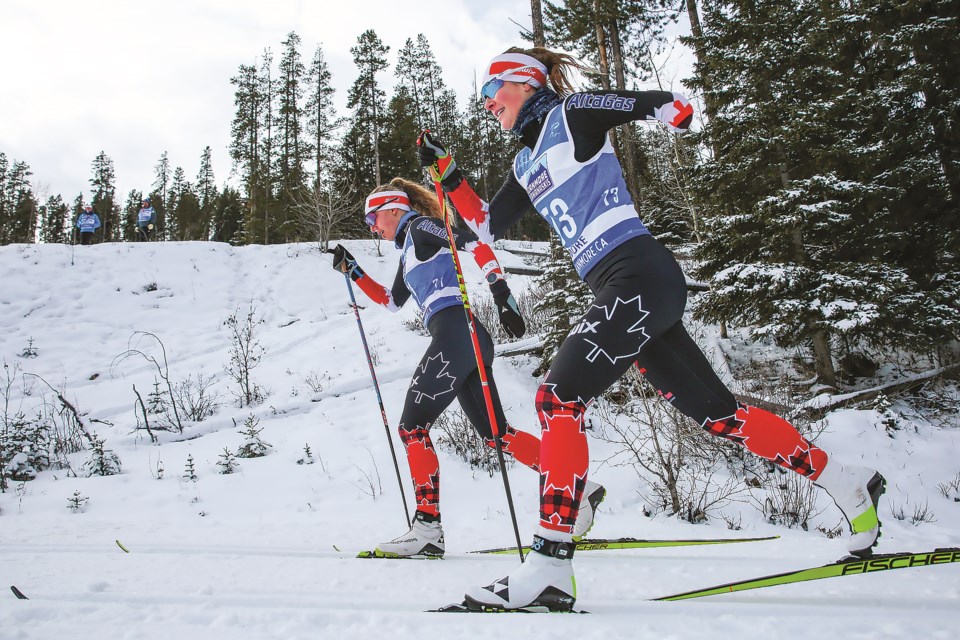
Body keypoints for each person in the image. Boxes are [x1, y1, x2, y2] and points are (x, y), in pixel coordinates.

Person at [417, 47, 885, 611]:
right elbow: (487, 223)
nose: (488, 106)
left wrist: (674, 112)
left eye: (493, 93)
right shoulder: (524, 164)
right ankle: (847, 481)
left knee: (558, 398)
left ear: (523, 83)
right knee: (721, 416)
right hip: (626, 290)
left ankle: (547, 566)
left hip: (637, 273)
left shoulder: (573, 114)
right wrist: (448, 173)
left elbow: (645, 103)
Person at [329, 177, 606, 559]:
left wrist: (501, 293)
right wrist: (354, 270)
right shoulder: (409, 249)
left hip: (457, 336)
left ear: (394, 208)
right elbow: (392, 303)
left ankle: (427, 530)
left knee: (412, 428)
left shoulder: (421, 228)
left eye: (372, 218)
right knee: (497, 434)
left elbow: (474, 242)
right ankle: (580, 487)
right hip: (465, 339)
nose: (372, 227)